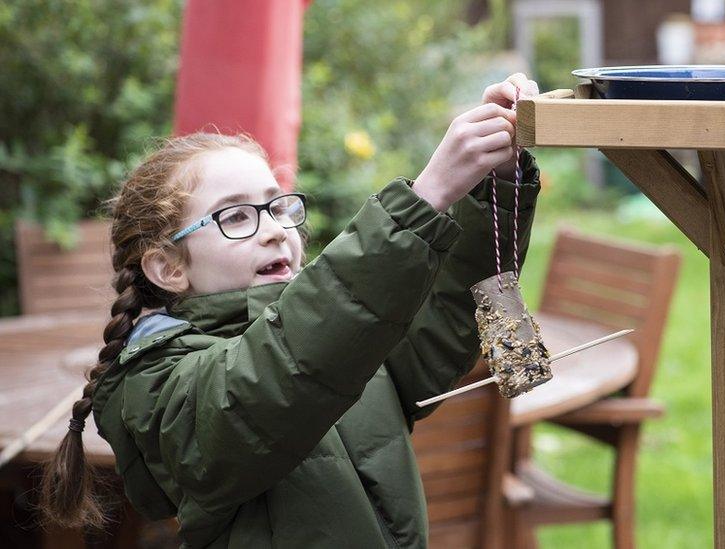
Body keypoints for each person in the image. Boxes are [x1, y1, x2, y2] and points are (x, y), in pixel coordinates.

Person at [39, 73, 542, 548]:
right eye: (236, 215)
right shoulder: (156, 384)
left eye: (277, 206)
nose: (277, 228)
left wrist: (495, 182)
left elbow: (443, 312)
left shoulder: (343, 340)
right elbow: (274, 377)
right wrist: (425, 198)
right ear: (168, 267)